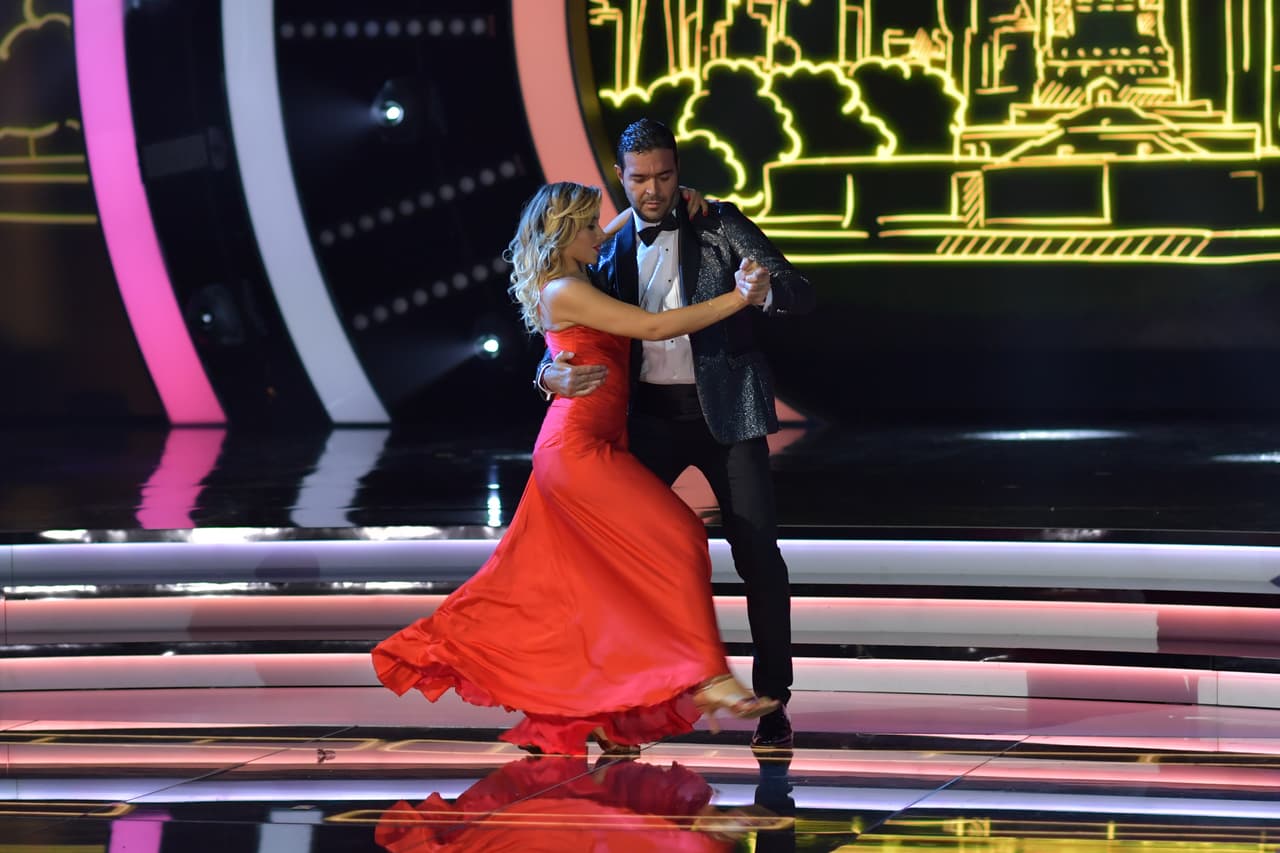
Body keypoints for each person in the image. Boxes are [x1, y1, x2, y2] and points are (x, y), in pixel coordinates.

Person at [371, 181, 779, 756]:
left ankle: (603, 712)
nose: (601, 231)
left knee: (586, 588)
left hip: (596, 441)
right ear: (566, 234)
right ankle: (709, 677)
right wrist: (738, 297)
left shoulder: (571, 273)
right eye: (589, 225)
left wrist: (646, 206)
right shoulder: (565, 288)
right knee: (682, 535)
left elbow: (606, 236)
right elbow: (655, 327)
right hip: (578, 449)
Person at [538, 119, 814, 750]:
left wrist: (766, 291)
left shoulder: (719, 224)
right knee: (617, 563)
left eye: (664, 176)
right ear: (621, 177)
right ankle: (619, 709)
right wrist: (545, 372)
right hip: (645, 421)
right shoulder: (600, 249)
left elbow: (801, 293)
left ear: (678, 170)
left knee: (758, 561)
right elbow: (563, 326)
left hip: (728, 417)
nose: (654, 191)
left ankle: (773, 705)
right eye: (640, 179)